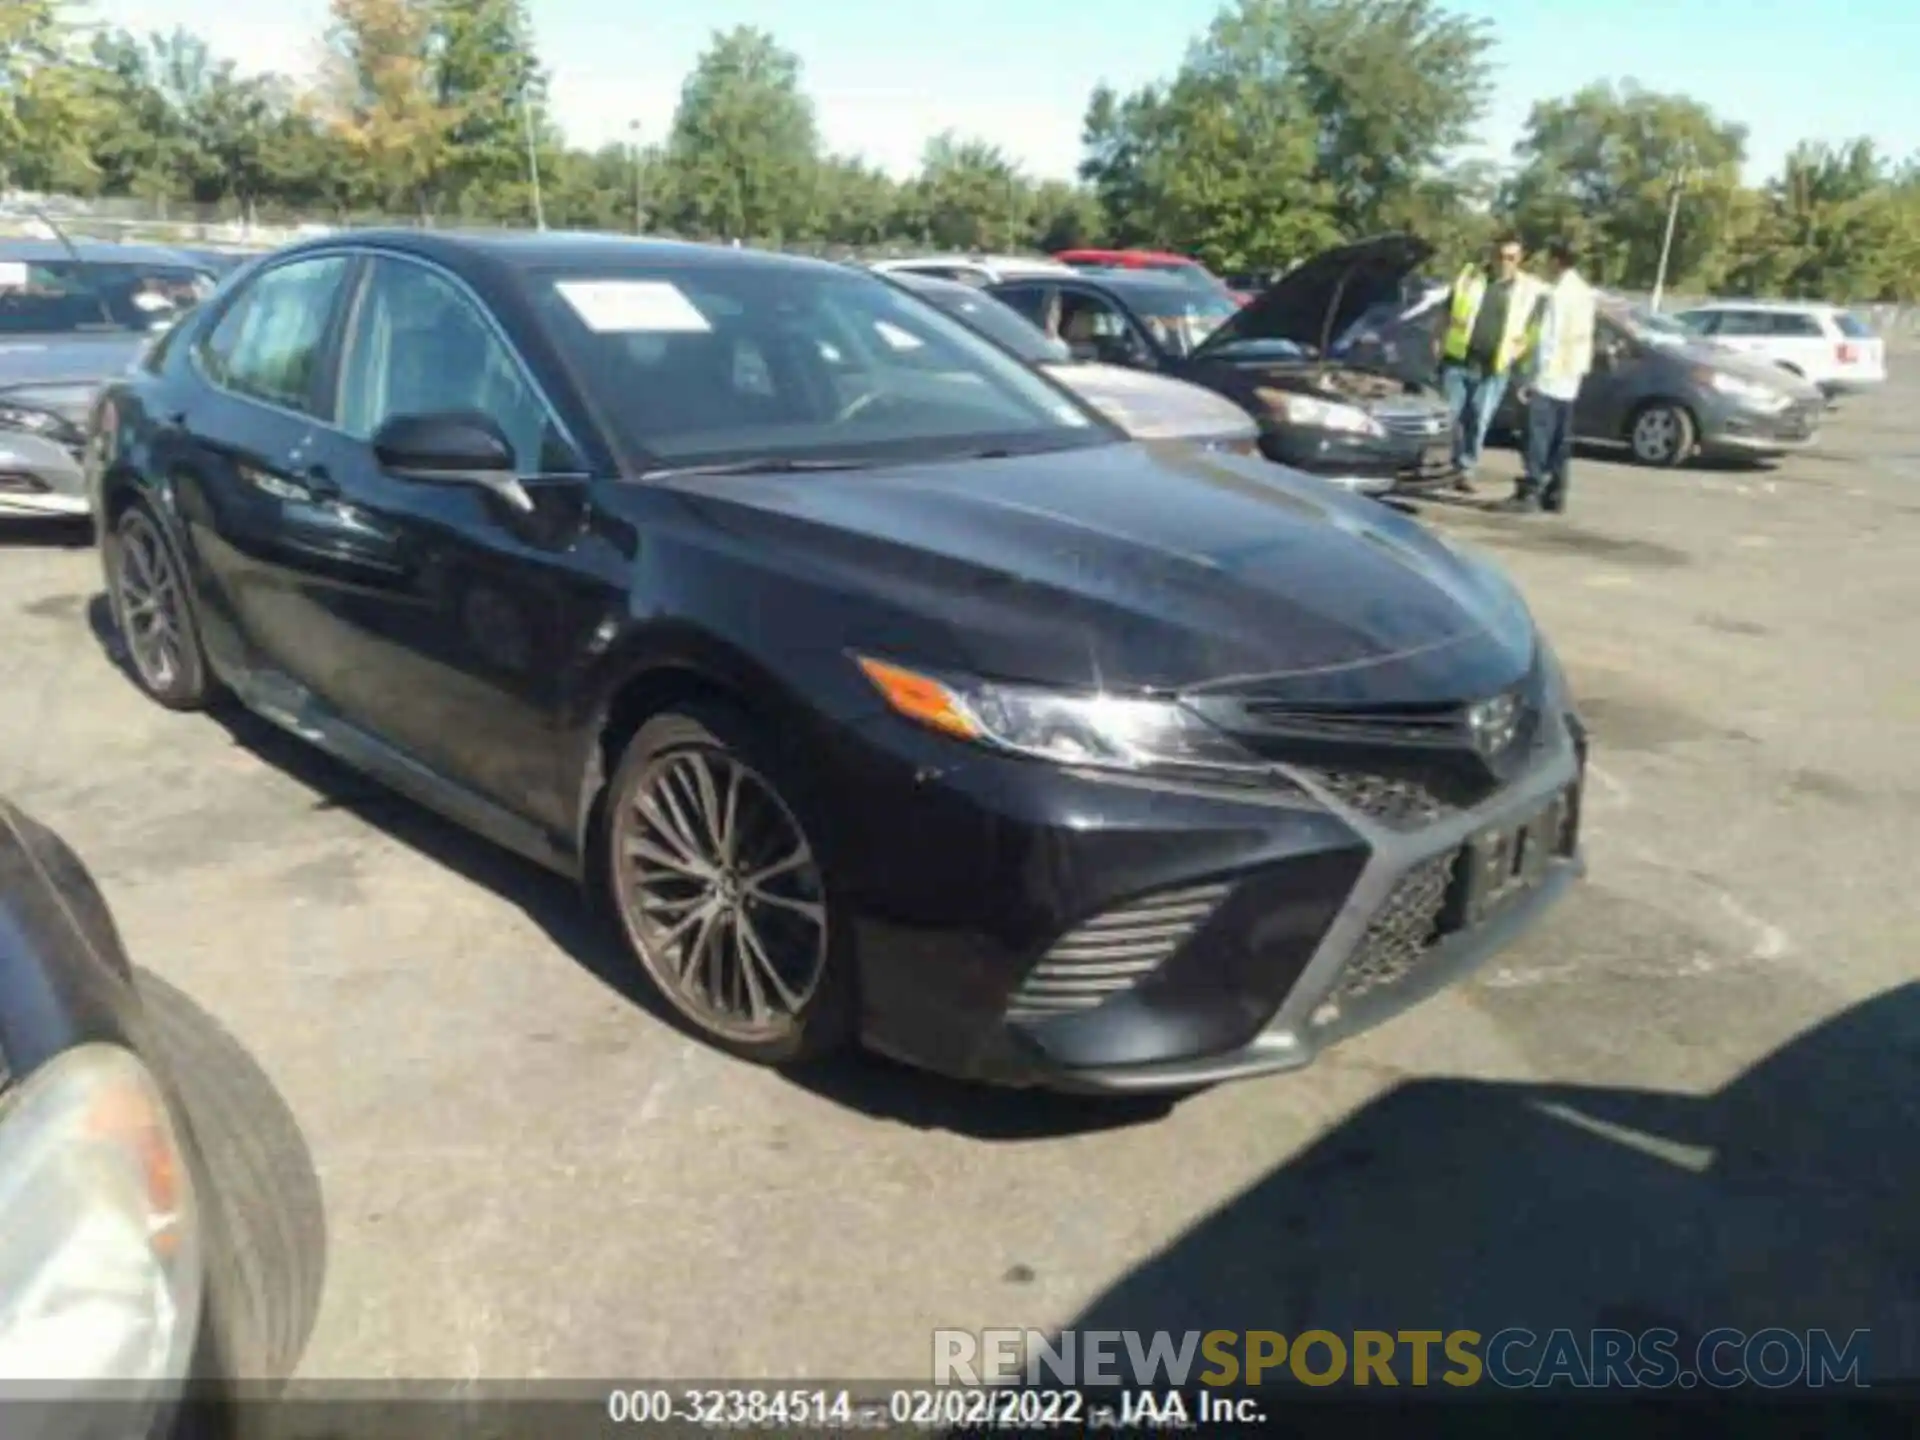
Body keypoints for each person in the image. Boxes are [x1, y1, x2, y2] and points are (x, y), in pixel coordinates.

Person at [1433, 237, 1543, 492]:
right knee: (1450, 417)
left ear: (1520, 260)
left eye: (1511, 258)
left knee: (1478, 420)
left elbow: (1532, 329)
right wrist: (1437, 339)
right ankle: (1442, 469)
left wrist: (1520, 353)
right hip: (1459, 360)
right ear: (1493, 256)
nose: (1505, 263)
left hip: (1494, 368)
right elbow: (1446, 310)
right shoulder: (1471, 277)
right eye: (1501, 256)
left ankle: (1465, 469)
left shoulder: (1527, 290)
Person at [1499, 238, 1596, 515]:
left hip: (1550, 377)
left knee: (1537, 438)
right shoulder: (1584, 293)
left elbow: (1548, 340)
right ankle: (1556, 493)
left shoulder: (1558, 295)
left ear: (1556, 260)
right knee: (1559, 441)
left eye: (1547, 259)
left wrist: (1532, 380)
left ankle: (1531, 490)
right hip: (1570, 378)